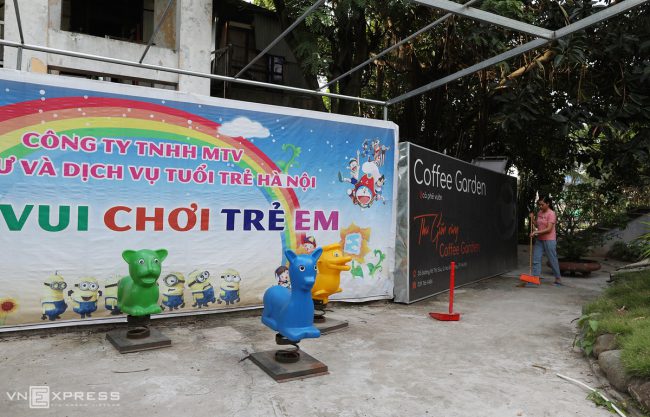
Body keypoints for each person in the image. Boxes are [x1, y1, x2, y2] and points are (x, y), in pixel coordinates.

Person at [530, 196, 562, 285]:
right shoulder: (540, 212)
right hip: (540, 239)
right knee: (536, 259)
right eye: (539, 205)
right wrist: (532, 219)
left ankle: (558, 278)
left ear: (548, 204)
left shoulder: (551, 214)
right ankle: (535, 278)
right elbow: (538, 225)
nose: (540, 206)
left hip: (549, 240)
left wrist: (536, 232)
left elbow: (549, 229)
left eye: (542, 205)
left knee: (552, 259)